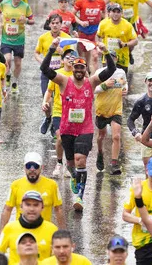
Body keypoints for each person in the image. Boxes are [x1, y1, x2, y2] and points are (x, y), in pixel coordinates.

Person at [40, 38, 116, 211]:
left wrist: (105, 51)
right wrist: (52, 49)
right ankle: (74, 176)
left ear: (85, 70)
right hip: (67, 129)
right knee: (71, 164)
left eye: (82, 67)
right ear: (72, 69)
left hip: (85, 129)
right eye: (77, 67)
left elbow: (111, 70)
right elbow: (44, 69)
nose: (79, 70)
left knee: (80, 161)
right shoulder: (63, 81)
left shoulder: (92, 82)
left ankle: (79, 197)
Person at [0, 151, 64, 236]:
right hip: (22, 236)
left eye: (36, 166)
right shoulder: (15, 185)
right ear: (24, 168)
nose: (32, 169)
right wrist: (1, 233)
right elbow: (7, 209)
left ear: (41, 167)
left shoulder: (52, 185)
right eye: (28, 166)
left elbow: (59, 209)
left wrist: (63, 234)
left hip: (44, 235)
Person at [0, 190, 58, 264]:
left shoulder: (52, 230)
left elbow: (58, 259)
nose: (32, 209)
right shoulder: (9, 228)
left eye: (36, 205)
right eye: (28, 205)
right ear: (21, 207)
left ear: (42, 207)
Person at [35, 14, 71, 135]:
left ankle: (57, 122)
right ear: (49, 24)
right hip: (47, 73)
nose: (55, 25)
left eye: (57, 23)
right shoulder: (43, 38)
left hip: (61, 73)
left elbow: (71, 55)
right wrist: (43, 63)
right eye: (53, 23)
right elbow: (36, 53)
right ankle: (48, 118)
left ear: (61, 24)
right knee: (47, 99)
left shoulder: (67, 38)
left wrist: (62, 54)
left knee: (61, 99)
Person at [42, 49, 77, 178]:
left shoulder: (79, 74)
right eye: (67, 57)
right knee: (60, 137)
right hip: (59, 110)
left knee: (71, 139)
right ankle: (59, 163)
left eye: (73, 57)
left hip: (74, 112)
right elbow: (49, 91)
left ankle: (69, 164)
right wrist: (45, 102)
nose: (70, 59)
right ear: (62, 60)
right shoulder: (57, 74)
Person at [94, 51, 128, 174]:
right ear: (104, 60)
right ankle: (100, 152)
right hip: (102, 109)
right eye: (108, 58)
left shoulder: (121, 72)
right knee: (101, 136)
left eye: (112, 58)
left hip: (116, 109)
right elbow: (93, 89)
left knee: (116, 136)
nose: (110, 60)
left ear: (116, 60)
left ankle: (114, 163)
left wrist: (125, 90)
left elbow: (124, 84)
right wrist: (104, 86)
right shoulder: (99, 73)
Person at [0, 0, 34, 93]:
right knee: (6, 59)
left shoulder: (25, 6)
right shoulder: (5, 3)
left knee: (17, 63)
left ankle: (15, 83)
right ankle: (8, 75)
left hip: (19, 40)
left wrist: (26, 20)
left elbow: (32, 21)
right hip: (6, 39)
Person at [73, 0, 106, 73]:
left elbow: (105, 15)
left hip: (95, 32)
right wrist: (80, 22)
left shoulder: (101, 2)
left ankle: (95, 77)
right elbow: (72, 14)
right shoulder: (80, 1)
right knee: (83, 54)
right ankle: (86, 69)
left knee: (95, 55)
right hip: (82, 31)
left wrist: (103, 25)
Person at [97, 3, 138, 73]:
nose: (116, 14)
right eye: (114, 11)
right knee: (108, 81)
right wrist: (98, 46)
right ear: (109, 13)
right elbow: (98, 36)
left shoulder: (127, 25)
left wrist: (125, 44)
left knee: (121, 81)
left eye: (118, 12)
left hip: (122, 58)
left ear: (121, 13)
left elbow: (135, 41)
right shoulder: (103, 24)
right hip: (108, 56)